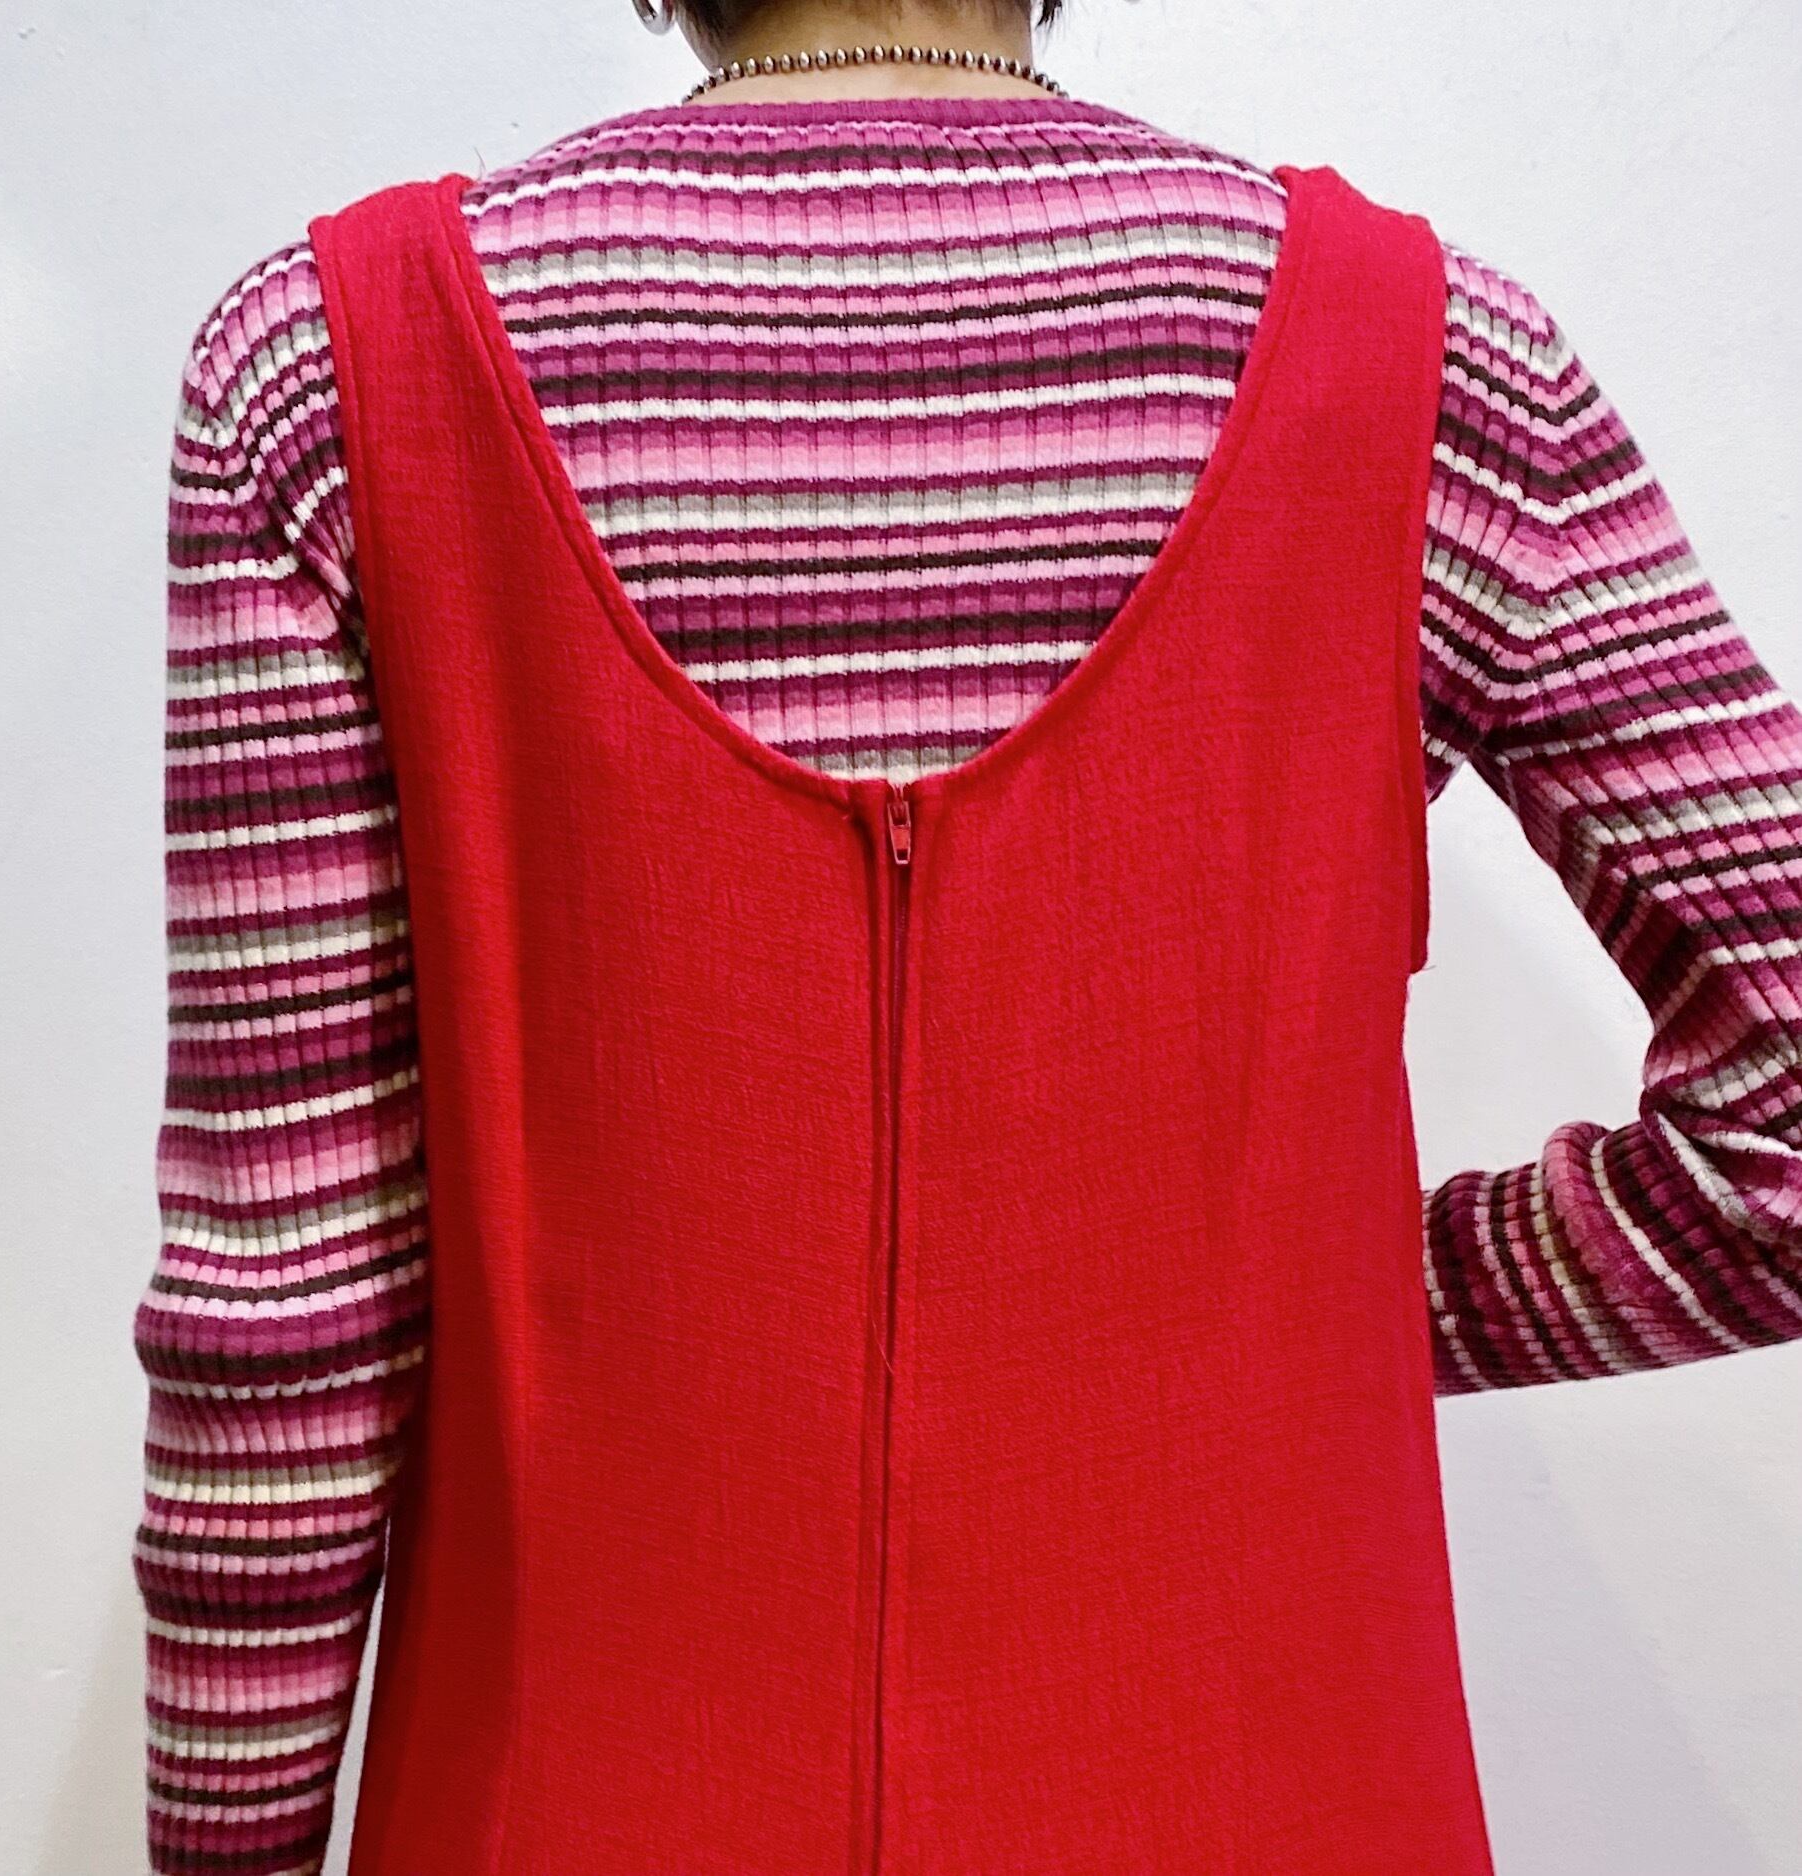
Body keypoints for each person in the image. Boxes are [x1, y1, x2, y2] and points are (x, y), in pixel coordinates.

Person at [130, 2, 1802, 1872]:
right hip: (1263, 1796)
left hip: (573, 1796)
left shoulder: (326, 377)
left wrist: (227, 1847)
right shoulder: (1439, 377)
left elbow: (282, 1319)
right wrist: (1322, 1302)